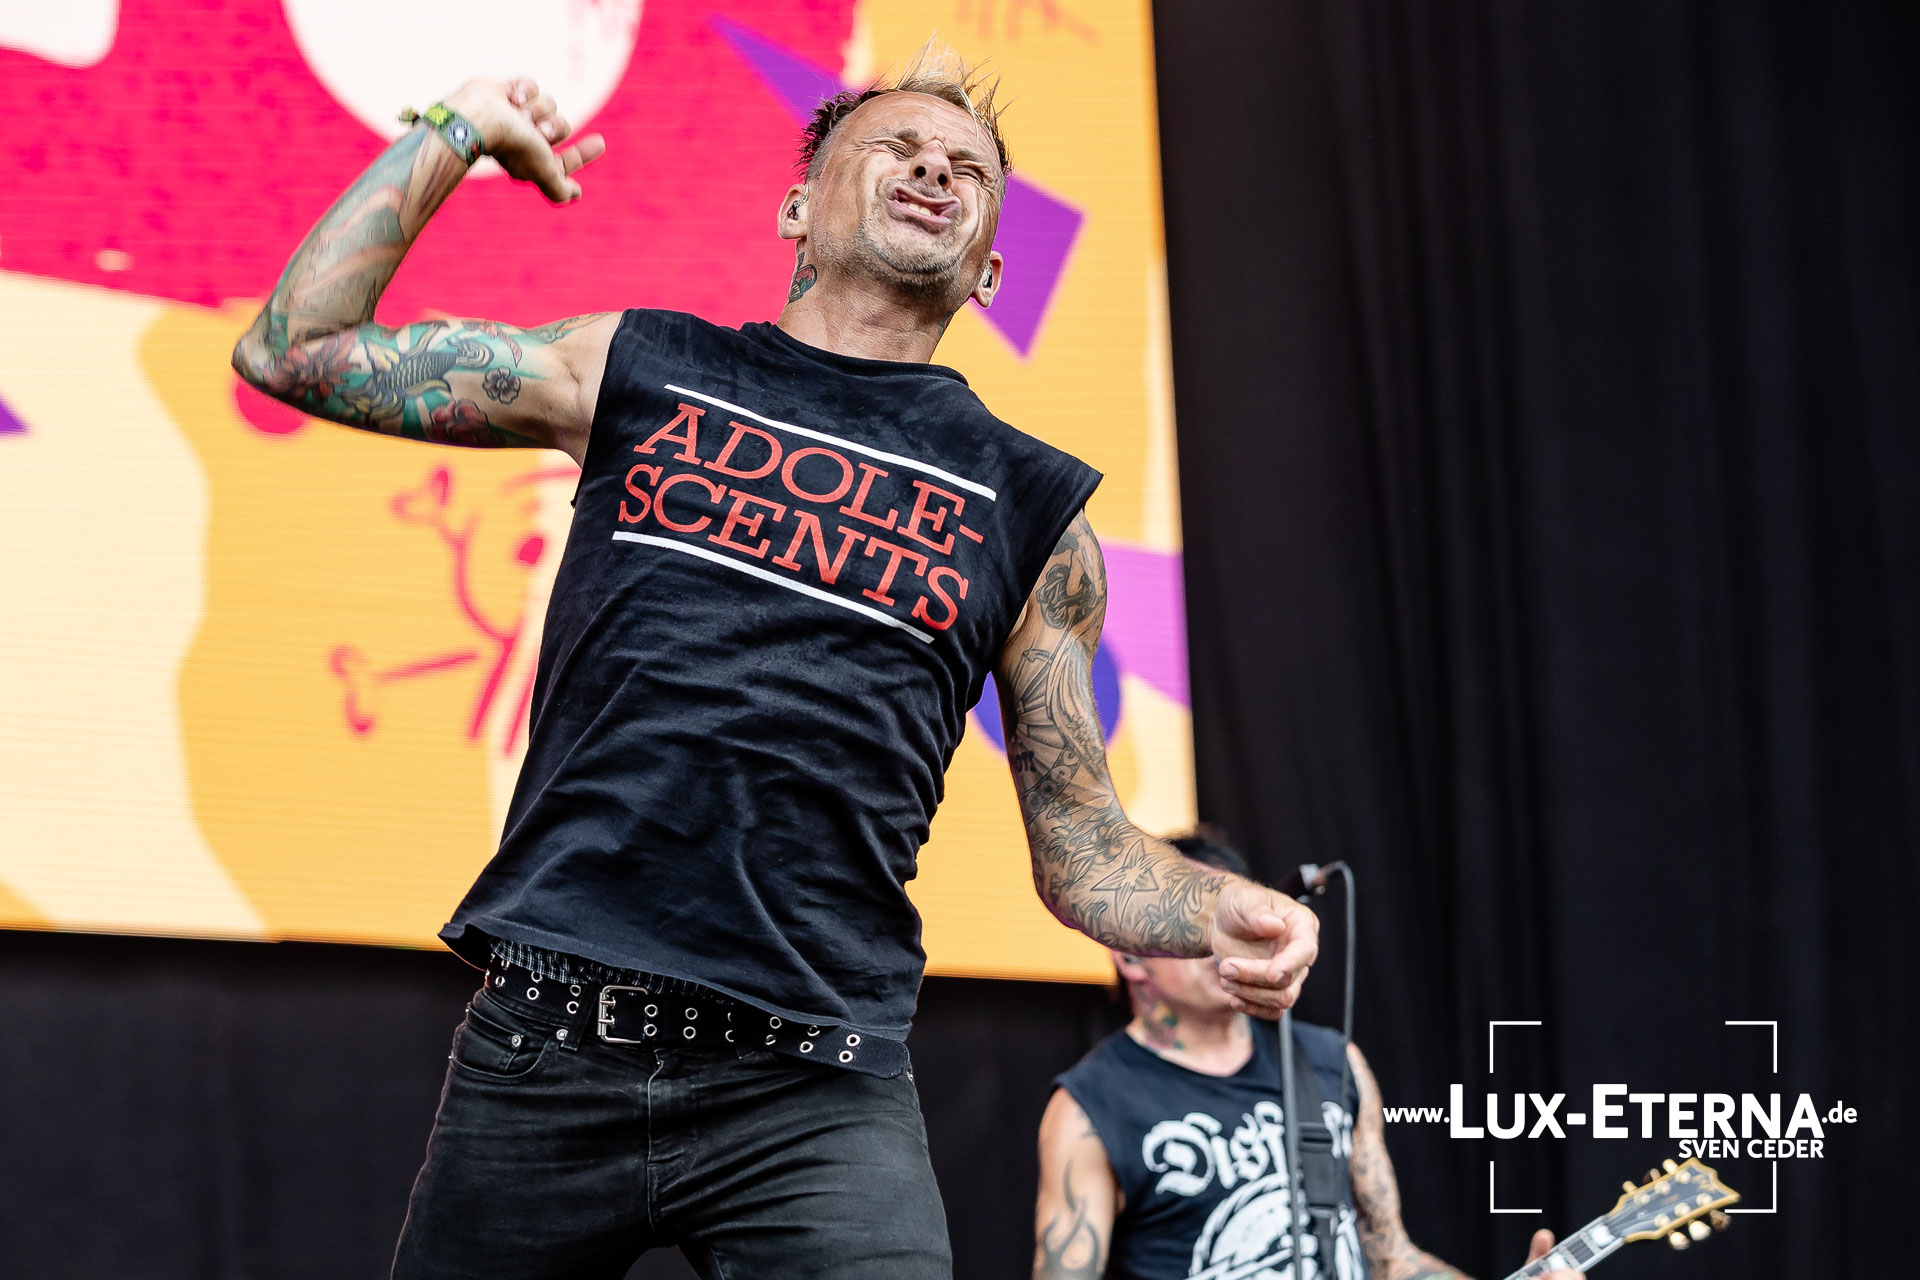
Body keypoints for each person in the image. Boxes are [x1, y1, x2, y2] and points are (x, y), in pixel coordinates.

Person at [232, 47, 1321, 1280]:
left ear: (988, 268)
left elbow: (1082, 848)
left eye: (968, 169)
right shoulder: (637, 368)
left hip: (814, 1086)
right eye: (898, 145)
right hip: (549, 1046)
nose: (935, 167)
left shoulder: (1033, 512)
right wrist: (460, 125)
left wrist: (1218, 906)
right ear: (798, 207)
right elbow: (295, 348)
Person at [1035, 833, 1577, 1280]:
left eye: (1230, 919)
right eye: (1198, 924)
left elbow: (1392, 1261)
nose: (1222, 942)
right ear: (1130, 953)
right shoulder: (1089, 1108)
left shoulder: (1331, 1062)